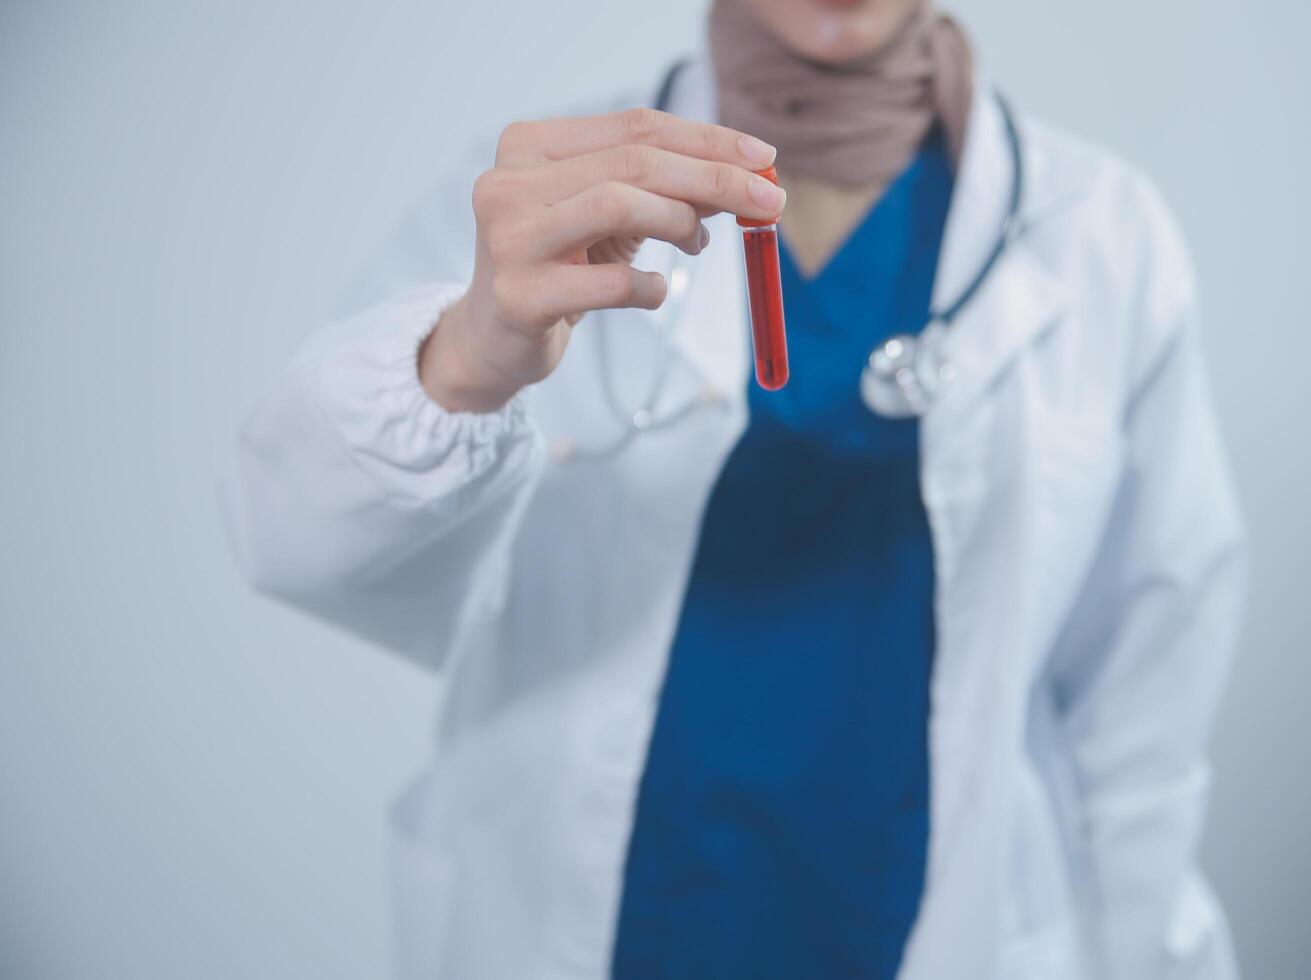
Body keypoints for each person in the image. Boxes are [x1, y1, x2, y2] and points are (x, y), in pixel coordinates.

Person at [222, 1, 1246, 977]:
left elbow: (1145, 717)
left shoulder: (1101, 236)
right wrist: (463, 360)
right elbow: (291, 535)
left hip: (918, 925)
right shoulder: (528, 194)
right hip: (598, 923)